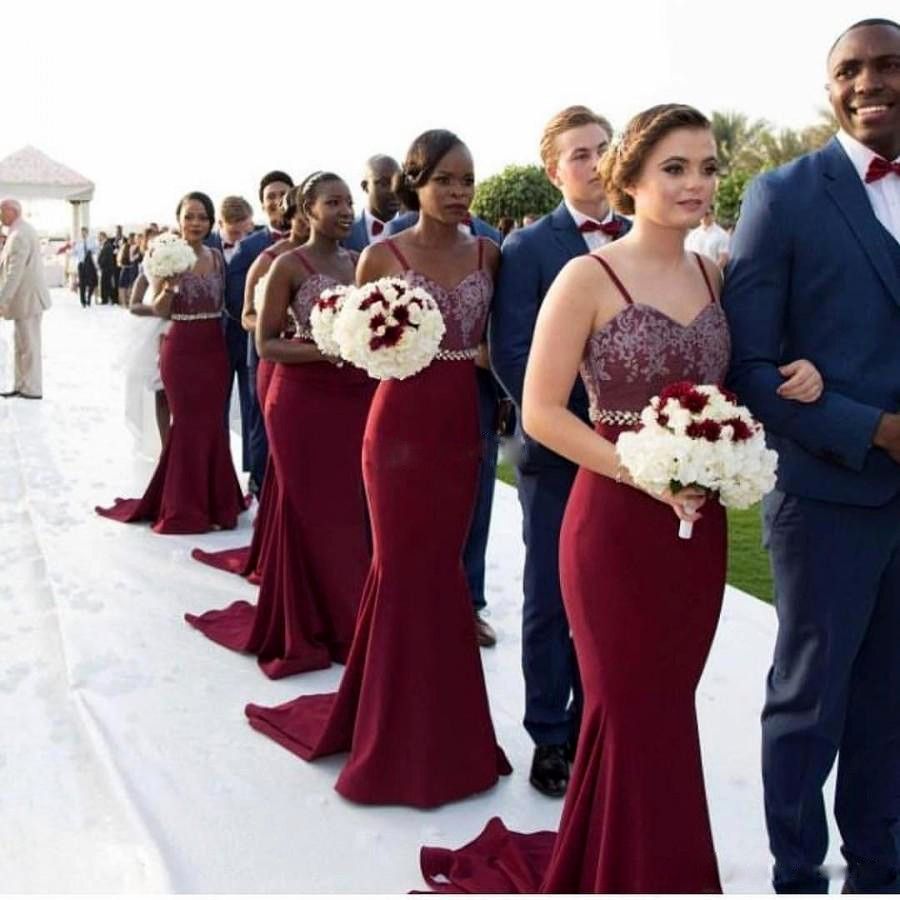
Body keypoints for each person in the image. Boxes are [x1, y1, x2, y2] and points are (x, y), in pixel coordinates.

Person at [419, 103, 824, 894]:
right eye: (674, 168)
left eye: (707, 167)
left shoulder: (717, 274)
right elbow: (539, 412)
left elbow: (738, 380)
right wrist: (643, 472)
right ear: (629, 178)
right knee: (630, 710)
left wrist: (793, 377)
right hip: (612, 524)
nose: (696, 183)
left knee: (666, 711)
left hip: (696, 531)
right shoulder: (585, 276)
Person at [245, 130, 512, 808]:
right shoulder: (380, 259)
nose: (458, 193)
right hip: (395, 431)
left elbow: (496, 345)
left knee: (445, 570)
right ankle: (390, 729)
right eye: (445, 180)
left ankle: (453, 729)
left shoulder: (490, 252)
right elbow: (362, 357)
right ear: (415, 184)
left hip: (461, 431)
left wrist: (489, 373)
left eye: (467, 180)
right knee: (398, 568)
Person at [724, 18, 900, 895]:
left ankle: (879, 868)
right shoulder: (782, 194)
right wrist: (871, 427)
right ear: (829, 88)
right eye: (851, 70)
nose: (871, 82)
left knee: (891, 701)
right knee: (809, 701)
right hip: (828, 493)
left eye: (890, 66)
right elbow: (749, 365)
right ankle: (797, 873)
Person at [490, 104, 630, 797]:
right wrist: (583, 429)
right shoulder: (529, 249)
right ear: (554, 170)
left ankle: (597, 723)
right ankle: (549, 733)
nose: (597, 162)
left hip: (640, 462)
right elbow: (512, 355)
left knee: (615, 597)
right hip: (557, 455)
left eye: (605, 148)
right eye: (581, 153)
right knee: (551, 596)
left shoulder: (640, 239)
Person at [186, 172, 375, 676]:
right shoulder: (288, 265)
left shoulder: (359, 263)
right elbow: (267, 342)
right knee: (307, 506)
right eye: (333, 202)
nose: (344, 210)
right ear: (307, 209)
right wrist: (327, 348)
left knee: (348, 507)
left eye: (348, 202)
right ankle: (306, 618)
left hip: (353, 399)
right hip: (300, 403)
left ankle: (348, 613)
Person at [96, 192, 245, 534]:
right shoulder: (164, 255)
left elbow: (223, 302)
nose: (196, 223)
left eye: (203, 217)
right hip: (181, 347)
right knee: (188, 423)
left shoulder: (217, 257)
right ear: (179, 219)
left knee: (212, 423)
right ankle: (183, 504)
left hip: (214, 348)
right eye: (190, 216)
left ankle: (218, 503)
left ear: (211, 222)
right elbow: (158, 310)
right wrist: (172, 286)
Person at [192, 186, 310, 583]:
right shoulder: (265, 258)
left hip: (331, 376)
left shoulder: (347, 258)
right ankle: (276, 526)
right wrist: (285, 329)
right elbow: (244, 315)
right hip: (278, 364)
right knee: (276, 447)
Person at [245, 170, 294, 497]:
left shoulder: (340, 251)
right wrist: (273, 324)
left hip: (321, 362)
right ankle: (263, 490)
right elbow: (242, 310)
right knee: (265, 429)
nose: (278, 203)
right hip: (267, 353)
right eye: (271, 198)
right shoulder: (255, 251)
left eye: (284, 195)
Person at [0, 199, 52, 399]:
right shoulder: (18, 231)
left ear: (12, 211)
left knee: (28, 345)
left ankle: (31, 388)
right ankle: (22, 385)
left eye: (2, 211)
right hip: (25, 300)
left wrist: (2, 300)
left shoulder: (19, 234)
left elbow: (15, 273)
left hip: (28, 299)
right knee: (22, 343)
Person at [343, 154, 401, 251]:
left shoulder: (414, 226)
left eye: (398, 182)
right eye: (384, 183)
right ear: (365, 186)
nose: (394, 190)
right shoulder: (345, 233)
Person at [72, 226, 98, 307]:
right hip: (81, 264)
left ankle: (89, 297)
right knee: (82, 283)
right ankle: (83, 301)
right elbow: (74, 253)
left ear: (87, 232)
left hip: (89, 264)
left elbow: (96, 250)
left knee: (92, 282)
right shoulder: (78, 242)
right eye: (82, 232)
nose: (83, 233)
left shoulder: (91, 241)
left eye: (85, 232)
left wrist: (91, 250)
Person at [97, 232, 118, 304]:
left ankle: (107, 299)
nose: (98, 238)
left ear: (103, 236)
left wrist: (100, 264)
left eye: (100, 236)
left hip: (107, 268)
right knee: (106, 284)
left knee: (106, 284)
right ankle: (107, 299)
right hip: (106, 268)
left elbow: (106, 258)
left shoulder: (107, 245)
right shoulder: (105, 245)